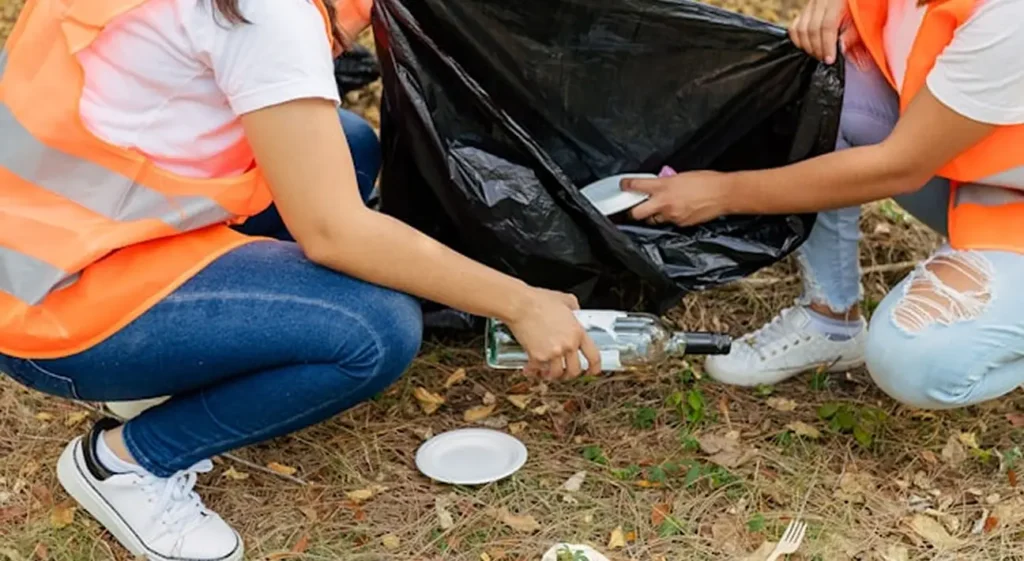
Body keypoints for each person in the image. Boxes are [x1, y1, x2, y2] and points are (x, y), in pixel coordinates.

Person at [0, 0, 602, 559]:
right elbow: (337, 233)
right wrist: (520, 303)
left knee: (349, 144)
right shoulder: (271, 13)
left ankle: (173, 359)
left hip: (58, 231)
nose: (347, 44)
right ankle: (128, 462)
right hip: (49, 306)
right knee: (373, 330)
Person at [620, 0, 1024, 409]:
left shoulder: (1009, 17)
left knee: (914, 360)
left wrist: (722, 193)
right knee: (818, 82)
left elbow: (900, 167)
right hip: (980, 171)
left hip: (973, 181)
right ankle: (830, 319)